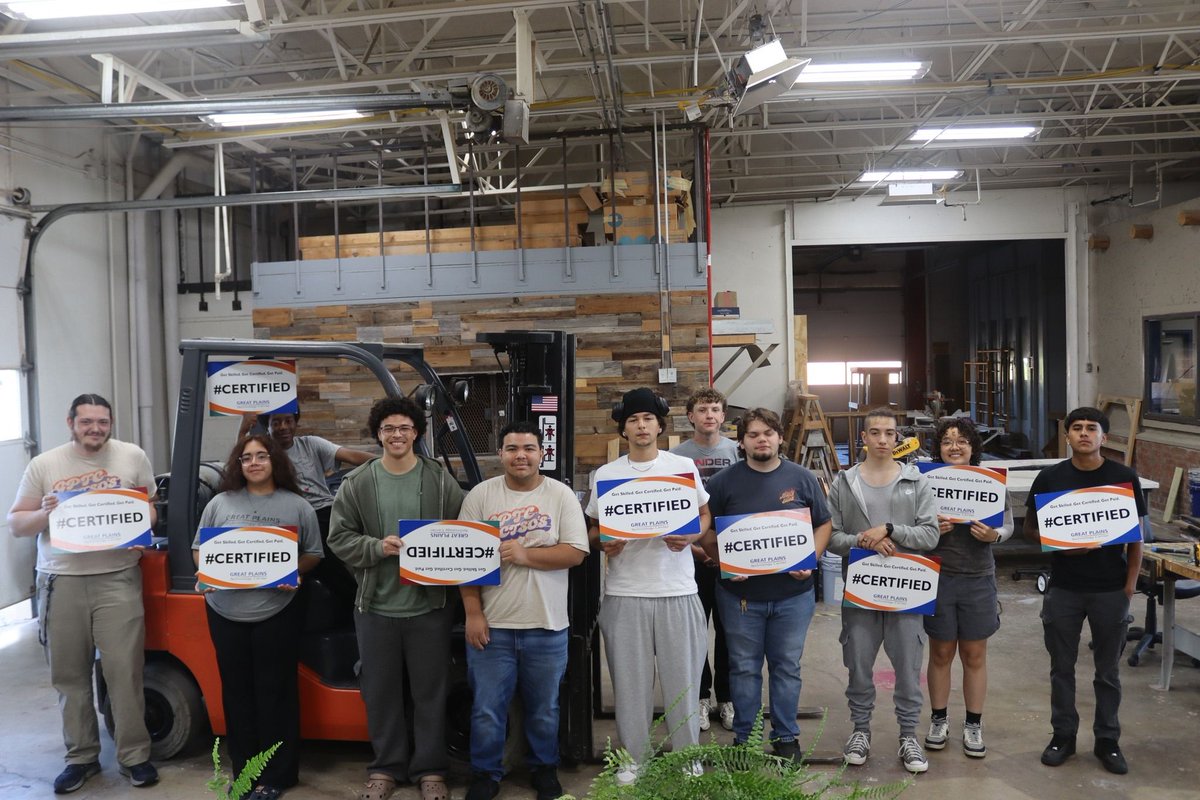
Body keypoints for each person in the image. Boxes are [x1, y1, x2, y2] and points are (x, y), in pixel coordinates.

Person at [7, 394, 159, 794]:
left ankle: (135, 756)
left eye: (103, 422)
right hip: (61, 580)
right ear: (70, 422)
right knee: (69, 674)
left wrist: (138, 529)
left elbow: (151, 508)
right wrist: (45, 512)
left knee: (124, 671)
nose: (95, 429)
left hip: (118, 578)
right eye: (87, 422)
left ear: (111, 423)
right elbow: (17, 523)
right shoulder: (45, 464)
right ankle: (81, 758)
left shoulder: (132, 457)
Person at [327, 395, 464, 800]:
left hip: (430, 608)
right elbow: (338, 538)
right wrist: (376, 548)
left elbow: (461, 531)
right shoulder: (359, 483)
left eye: (404, 428)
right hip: (376, 608)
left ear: (417, 433)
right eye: (389, 429)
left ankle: (431, 769)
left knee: (430, 692)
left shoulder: (440, 481)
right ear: (378, 435)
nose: (397, 435)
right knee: (381, 693)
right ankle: (386, 767)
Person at [585, 388, 710, 784]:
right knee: (630, 685)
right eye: (633, 420)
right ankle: (632, 759)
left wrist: (692, 537)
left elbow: (704, 514)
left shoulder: (681, 468)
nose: (641, 426)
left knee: (684, 683)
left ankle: (687, 756)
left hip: (677, 591)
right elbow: (591, 529)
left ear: (660, 425)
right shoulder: (606, 475)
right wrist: (603, 541)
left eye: (648, 419)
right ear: (623, 428)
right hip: (625, 593)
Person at [459, 422, 589, 800]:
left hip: (547, 627)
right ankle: (485, 774)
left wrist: (525, 554)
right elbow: (464, 561)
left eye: (529, 448)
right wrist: (473, 613)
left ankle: (543, 769)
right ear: (500, 454)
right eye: (512, 448)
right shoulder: (481, 497)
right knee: (486, 709)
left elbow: (576, 553)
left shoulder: (560, 495)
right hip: (493, 627)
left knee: (544, 709)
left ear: (541, 454)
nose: (521, 455)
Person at [192, 434, 323, 800]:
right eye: (246, 457)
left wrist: (294, 570)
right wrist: (206, 574)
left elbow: (313, 553)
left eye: (261, 456)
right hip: (225, 611)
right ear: (238, 464)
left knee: (276, 694)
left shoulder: (297, 506)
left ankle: (277, 776)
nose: (253, 462)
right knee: (237, 695)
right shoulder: (219, 504)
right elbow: (199, 550)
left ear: (275, 461)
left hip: (277, 611)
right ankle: (245, 772)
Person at [699, 408, 831, 761]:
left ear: (779, 438)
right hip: (740, 597)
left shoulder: (802, 478)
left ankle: (786, 736)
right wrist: (723, 560)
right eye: (754, 434)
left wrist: (812, 557)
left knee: (787, 666)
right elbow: (707, 532)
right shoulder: (723, 482)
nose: (762, 439)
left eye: (768, 433)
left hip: (793, 596)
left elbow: (824, 524)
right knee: (744, 668)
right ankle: (746, 738)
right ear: (741, 442)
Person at [1024, 406, 1144, 775]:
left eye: (1092, 428)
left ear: (1104, 437)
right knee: (1062, 668)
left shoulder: (1123, 477)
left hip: (1110, 590)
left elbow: (1136, 537)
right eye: (1077, 428)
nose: (1084, 434)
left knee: (1107, 672)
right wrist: (1063, 546)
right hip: (1064, 589)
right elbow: (1030, 530)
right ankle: (1063, 736)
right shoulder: (1050, 477)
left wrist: (1129, 586)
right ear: (1068, 435)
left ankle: (1107, 741)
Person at [826, 408, 939, 774]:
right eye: (874, 433)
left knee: (908, 666)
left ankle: (909, 735)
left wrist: (891, 529)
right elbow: (833, 538)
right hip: (862, 592)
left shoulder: (916, 481)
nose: (881, 440)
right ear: (863, 438)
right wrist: (864, 540)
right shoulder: (845, 482)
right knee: (858, 665)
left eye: (888, 433)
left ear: (897, 438)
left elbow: (930, 534)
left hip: (907, 590)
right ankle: (861, 730)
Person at [923, 417, 1013, 759]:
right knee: (941, 653)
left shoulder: (990, 482)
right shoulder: (926, 482)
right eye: (947, 441)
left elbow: (1008, 525)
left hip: (978, 578)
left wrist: (995, 536)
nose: (954, 446)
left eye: (962, 441)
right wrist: (931, 529)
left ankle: (973, 724)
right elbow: (912, 527)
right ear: (939, 448)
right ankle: (938, 719)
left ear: (973, 447)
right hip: (939, 576)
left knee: (974, 655)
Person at [239, 408, 372, 597]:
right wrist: (243, 429)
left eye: (288, 421)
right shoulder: (263, 454)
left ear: (295, 422)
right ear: (267, 426)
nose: (283, 427)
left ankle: (354, 600)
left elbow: (352, 456)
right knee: (318, 557)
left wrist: (389, 463)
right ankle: (352, 602)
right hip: (287, 518)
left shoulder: (310, 444)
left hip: (323, 511)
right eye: (276, 422)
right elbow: (238, 468)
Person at [672, 387, 738, 732]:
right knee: (695, 631)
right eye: (702, 409)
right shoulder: (677, 457)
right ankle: (699, 697)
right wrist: (698, 547)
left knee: (729, 631)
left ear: (723, 416)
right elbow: (674, 511)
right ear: (691, 417)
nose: (709, 415)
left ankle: (727, 698)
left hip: (731, 557)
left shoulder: (737, 453)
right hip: (691, 555)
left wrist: (727, 550)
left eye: (715, 409)